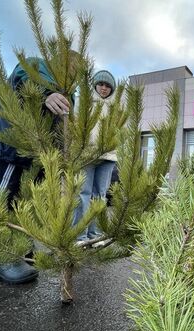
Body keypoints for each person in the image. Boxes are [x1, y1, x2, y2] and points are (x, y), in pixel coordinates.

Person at [0, 56, 78, 284]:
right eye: (70, 68)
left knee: (29, 202)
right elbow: (21, 78)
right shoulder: (36, 65)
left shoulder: (71, 92)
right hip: (9, 145)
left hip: (35, 153)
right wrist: (45, 94)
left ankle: (24, 253)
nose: (73, 74)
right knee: (6, 201)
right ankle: (4, 260)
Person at [72, 70, 117, 240]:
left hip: (108, 156)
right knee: (83, 194)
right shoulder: (84, 102)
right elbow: (76, 125)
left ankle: (95, 234)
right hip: (86, 155)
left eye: (107, 86)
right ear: (95, 85)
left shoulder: (116, 106)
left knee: (100, 196)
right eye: (101, 84)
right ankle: (80, 236)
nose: (104, 88)